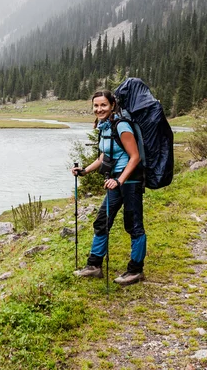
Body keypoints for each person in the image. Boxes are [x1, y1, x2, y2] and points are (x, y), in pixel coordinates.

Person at [71, 90, 147, 286]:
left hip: (129, 182)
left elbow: (135, 157)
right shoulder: (105, 127)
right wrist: (84, 171)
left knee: (133, 224)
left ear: (113, 105)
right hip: (115, 181)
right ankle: (94, 266)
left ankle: (136, 270)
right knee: (102, 221)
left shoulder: (121, 126)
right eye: (96, 106)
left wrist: (119, 180)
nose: (99, 109)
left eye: (103, 105)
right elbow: (104, 157)